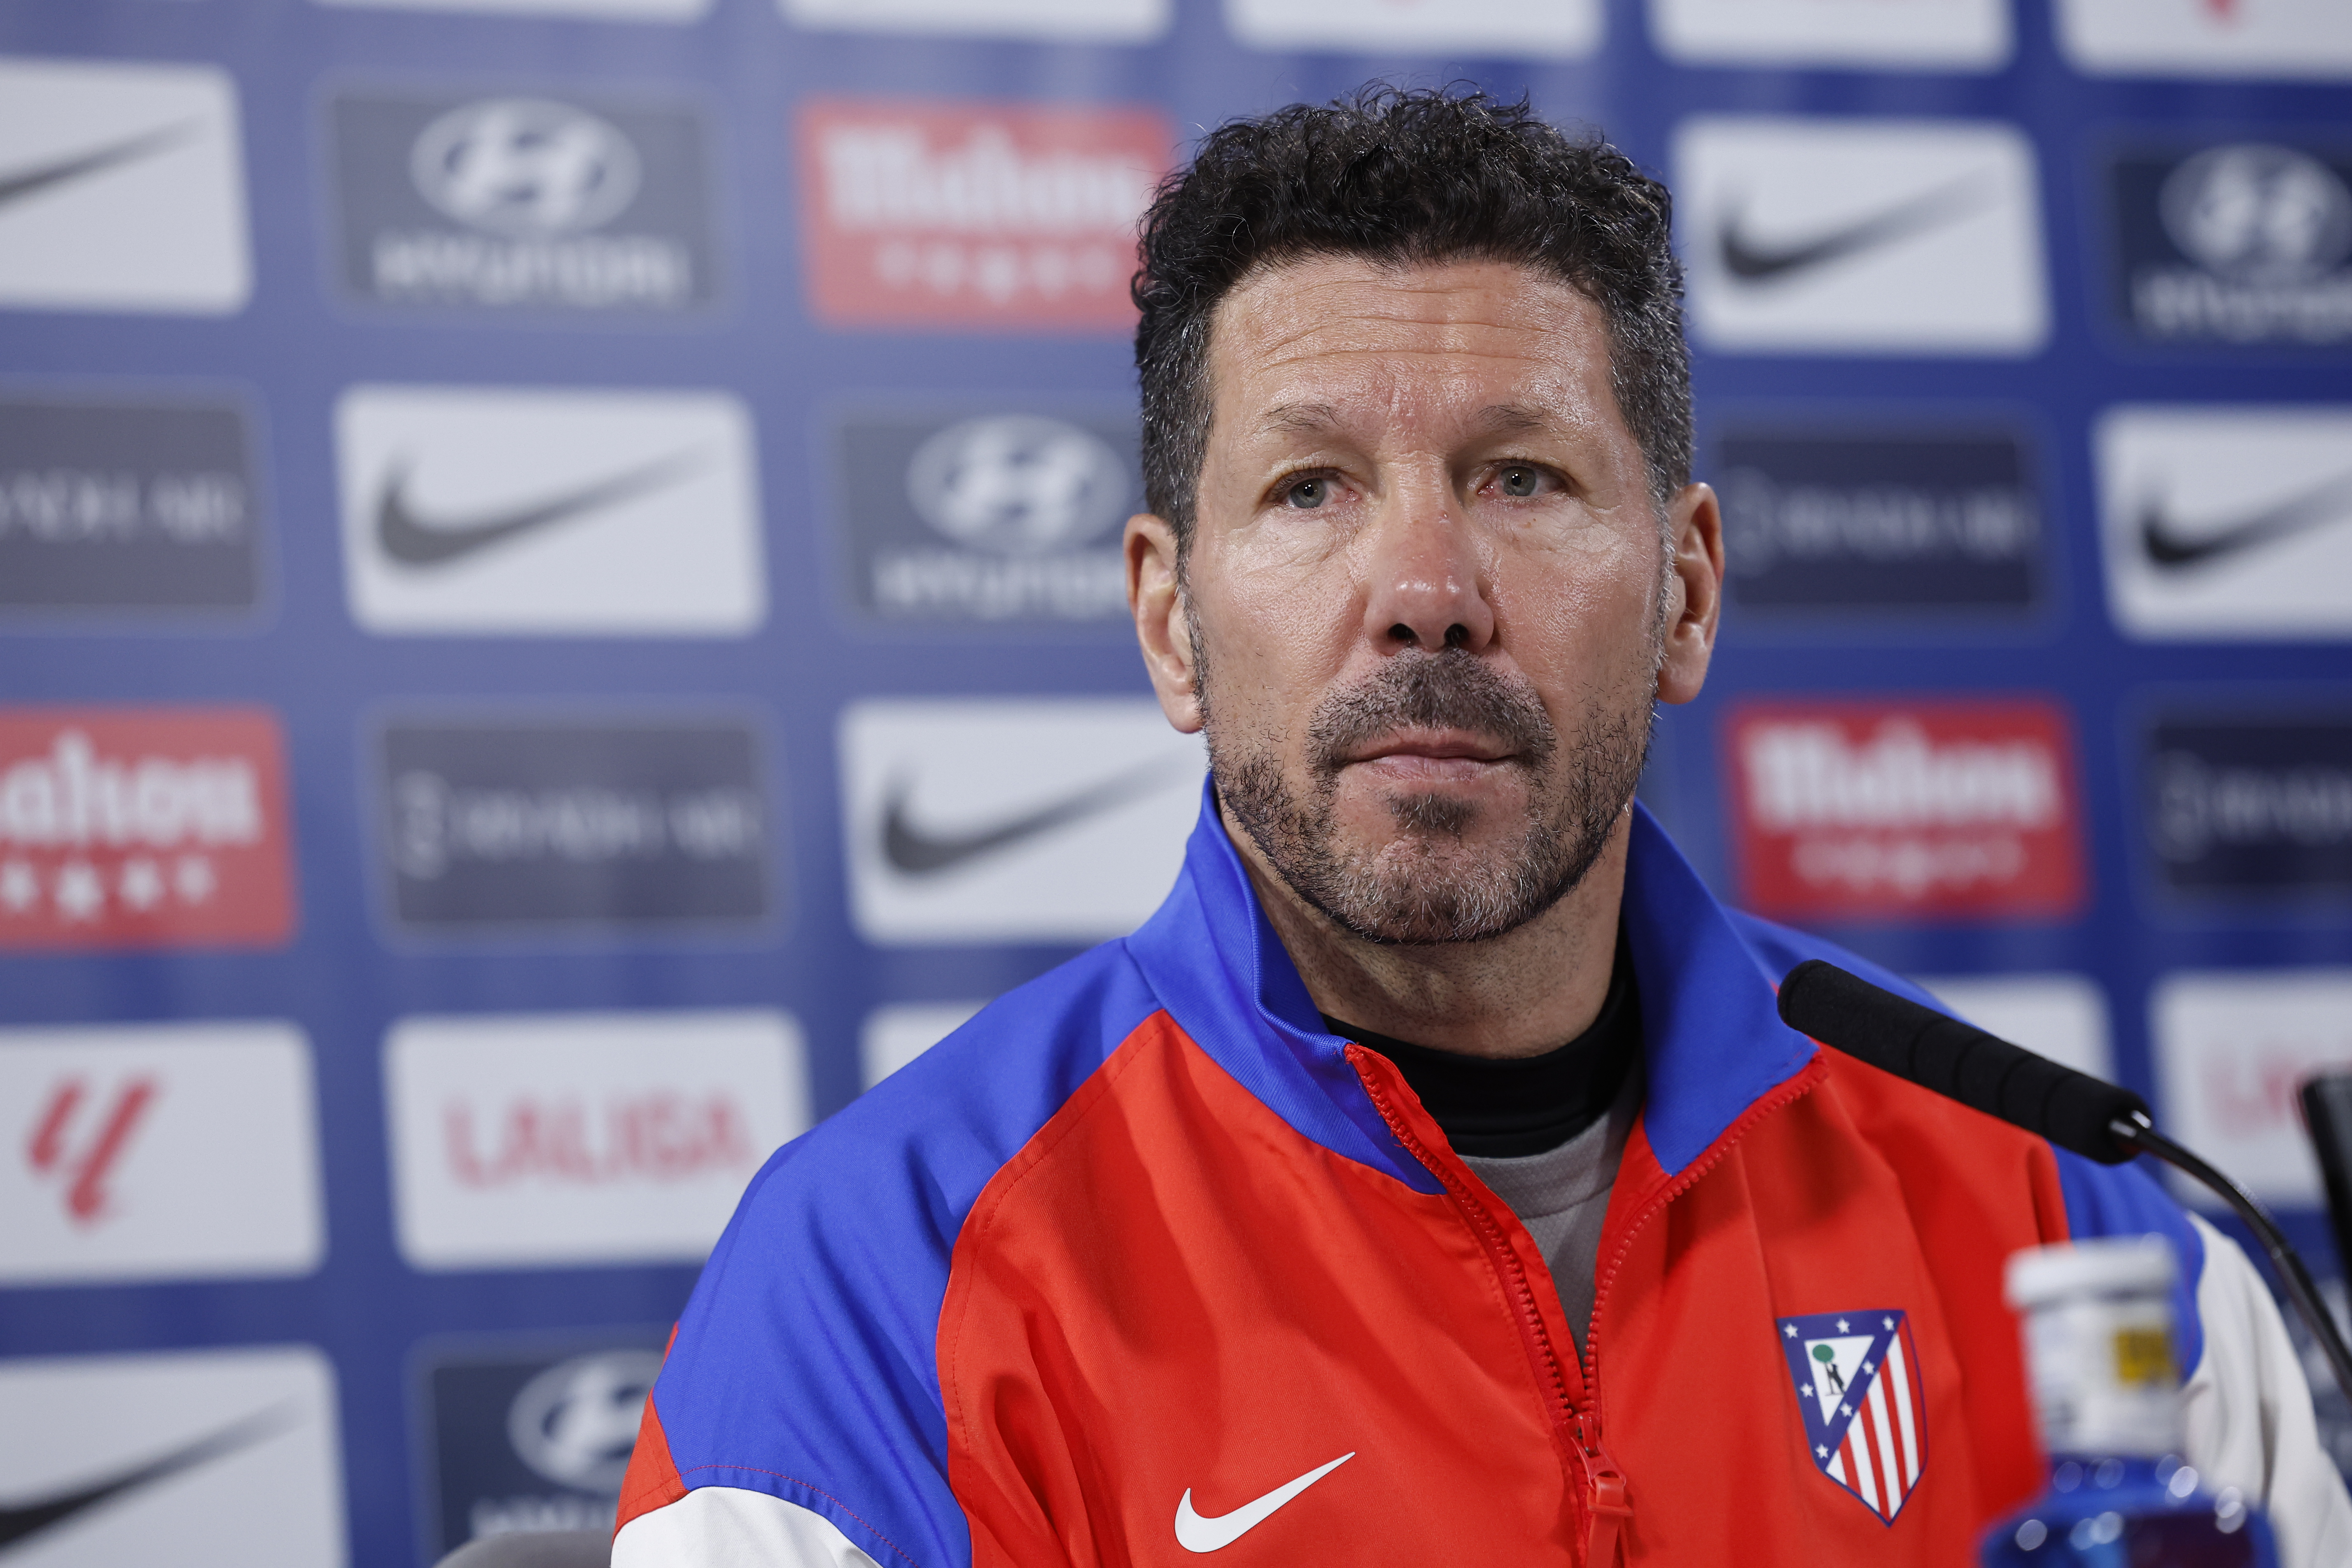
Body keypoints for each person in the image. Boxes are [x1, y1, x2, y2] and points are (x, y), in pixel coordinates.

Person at [614, 88, 2351, 1566]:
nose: (1428, 593)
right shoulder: (877, 1286)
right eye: (1312, 489)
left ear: (1686, 594)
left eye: (1523, 476)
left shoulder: (2081, 1235)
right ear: (1169, 621)